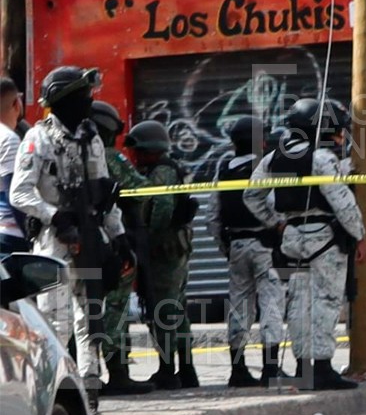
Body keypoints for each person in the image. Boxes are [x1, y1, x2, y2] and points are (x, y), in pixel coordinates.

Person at [11, 66, 122, 415]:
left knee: (90, 321)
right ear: (64, 99)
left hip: (89, 239)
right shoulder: (38, 139)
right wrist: (54, 216)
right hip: (53, 243)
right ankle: (52, 411)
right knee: (54, 328)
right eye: (82, 96)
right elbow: (20, 192)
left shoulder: (91, 138)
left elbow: (103, 194)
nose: (89, 102)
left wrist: (117, 238)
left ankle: (90, 407)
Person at [244, 98, 366, 390]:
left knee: (299, 304)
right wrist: (360, 236)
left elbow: (251, 196)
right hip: (324, 237)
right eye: (335, 130)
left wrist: (277, 222)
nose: (339, 137)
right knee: (325, 302)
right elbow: (343, 203)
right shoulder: (322, 159)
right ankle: (322, 369)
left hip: (292, 239)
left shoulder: (272, 158)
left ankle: (304, 368)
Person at [210, 115, 287, 388]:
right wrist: (279, 230)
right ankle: (270, 369)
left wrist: (227, 247)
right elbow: (275, 204)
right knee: (271, 304)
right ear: (259, 141)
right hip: (265, 245)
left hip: (237, 246)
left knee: (239, 307)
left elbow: (213, 216)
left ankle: (238, 369)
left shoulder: (225, 169)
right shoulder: (266, 166)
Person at [126, 119, 199, 390]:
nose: (135, 156)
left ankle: (170, 370)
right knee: (176, 308)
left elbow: (162, 207)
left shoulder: (162, 171)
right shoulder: (167, 168)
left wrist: (147, 235)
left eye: (138, 150)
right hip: (173, 247)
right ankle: (185, 369)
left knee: (164, 310)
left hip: (164, 249)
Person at [90, 101, 156, 397]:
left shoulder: (80, 153)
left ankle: (91, 375)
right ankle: (118, 374)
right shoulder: (111, 157)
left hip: (87, 241)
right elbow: (141, 188)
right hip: (116, 237)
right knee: (116, 307)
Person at [0, 76, 28, 253]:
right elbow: (15, 194)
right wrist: (31, 237)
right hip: (11, 237)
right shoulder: (9, 139)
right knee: (60, 278)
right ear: (16, 104)